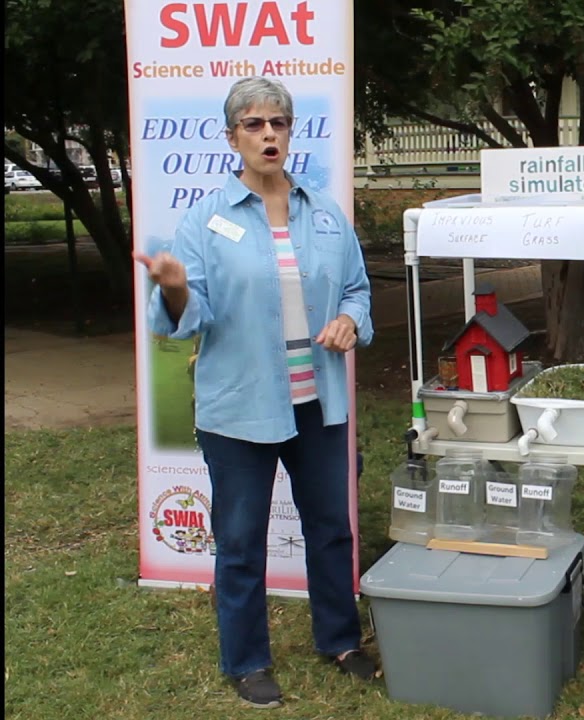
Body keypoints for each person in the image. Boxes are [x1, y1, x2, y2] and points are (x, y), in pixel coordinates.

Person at [136, 76, 376, 709]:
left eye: (278, 123)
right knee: (240, 539)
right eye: (254, 124)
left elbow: (357, 289)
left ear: (290, 133)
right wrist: (174, 286)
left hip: (317, 403)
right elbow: (179, 321)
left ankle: (341, 640)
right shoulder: (206, 220)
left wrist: (350, 318)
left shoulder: (322, 210)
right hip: (240, 408)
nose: (269, 134)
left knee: (330, 527)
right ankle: (246, 659)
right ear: (232, 136)